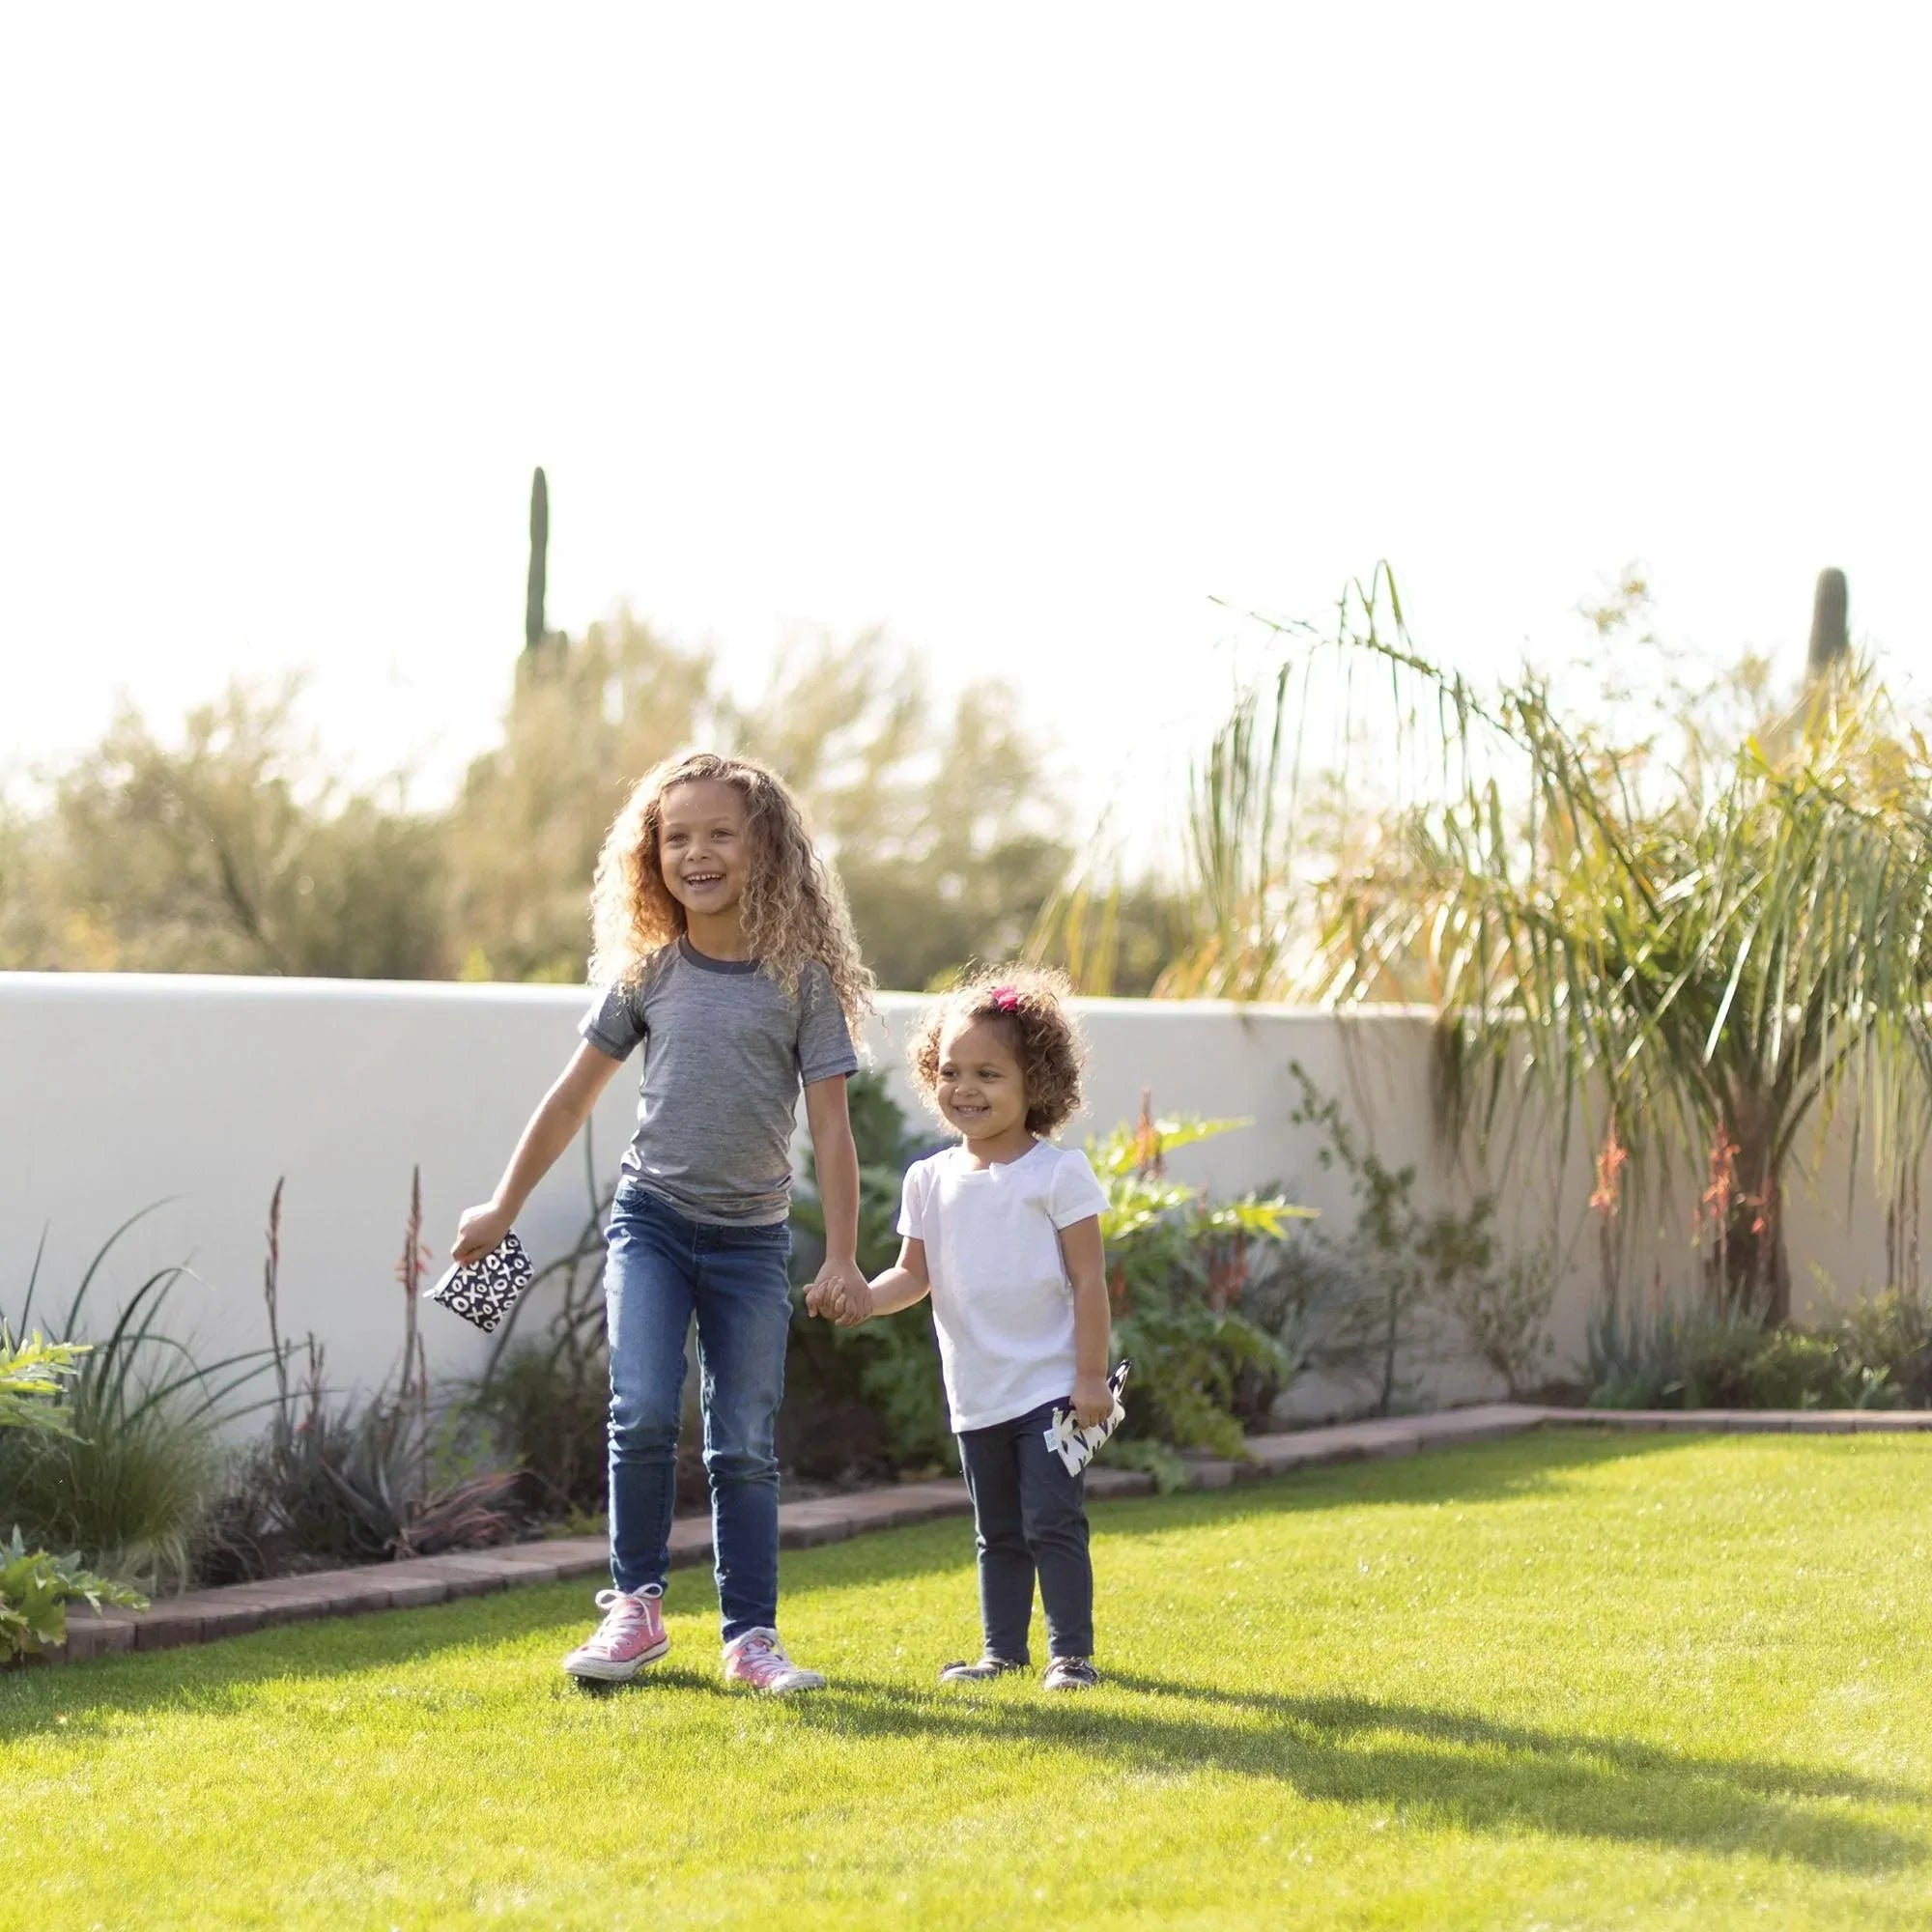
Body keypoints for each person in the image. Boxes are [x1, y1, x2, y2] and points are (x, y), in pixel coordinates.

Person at [451, 752, 872, 1693]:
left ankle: (750, 1638)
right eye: (676, 836)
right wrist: (502, 1204)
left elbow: (832, 1126)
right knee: (640, 1409)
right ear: (651, 855)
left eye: (720, 832)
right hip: (650, 1222)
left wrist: (842, 1256)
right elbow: (568, 1100)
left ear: (766, 849)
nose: (697, 851)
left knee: (742, 1440)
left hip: (749, 1241)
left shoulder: (800, 982)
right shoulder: (649, 973)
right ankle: (634, 1611)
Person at [817, 966, 1114, 1690]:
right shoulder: (929, 1180)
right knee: (998, 1533)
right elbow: (912, 1277)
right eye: (951, 1071)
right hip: (977, 1393)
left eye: (989, 1072)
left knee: (1052, 1523)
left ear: (1036, 1082)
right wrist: (862, 1296)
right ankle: (1002, 1654)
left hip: (1048, 1389)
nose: (966, 1088)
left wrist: (1087, 1377)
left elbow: (1089, 1282)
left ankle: (1071, 1656)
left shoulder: (1058, 1176)